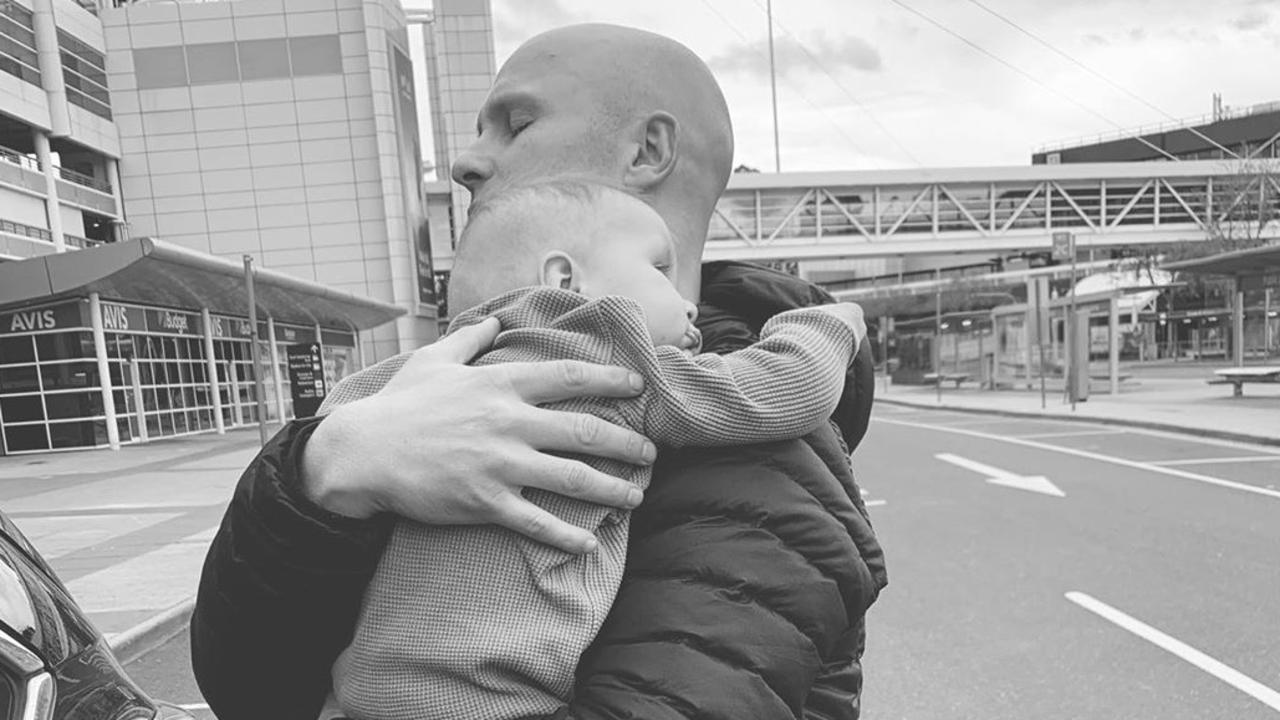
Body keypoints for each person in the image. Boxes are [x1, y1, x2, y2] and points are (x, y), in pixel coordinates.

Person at [192, 23, 886, 720]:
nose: (466, 162)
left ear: (648, 151)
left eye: (515, 125)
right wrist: (322, 470)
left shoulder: (757, 457)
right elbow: (247, 690)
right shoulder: (440, 384)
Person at [330, 180, 866, 720]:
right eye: (660, 270)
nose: (688, 304)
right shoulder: (607, 357)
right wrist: (825, 325)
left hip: (358, 690)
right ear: (567, 281)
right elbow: (783, 389)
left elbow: (330, 423)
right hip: (490, 700)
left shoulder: (421, 380)